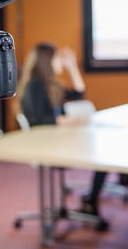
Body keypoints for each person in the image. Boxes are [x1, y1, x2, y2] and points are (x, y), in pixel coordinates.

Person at [15, 42, 109, 222]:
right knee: (101, 152)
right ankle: (91, 201)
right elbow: (39, 120)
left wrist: (72, 66)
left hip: (56, 140)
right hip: (46, 145)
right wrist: (70, 121)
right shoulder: (35, 86)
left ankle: (91, 198)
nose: (61, 63)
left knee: (101, 147)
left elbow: (79, 93)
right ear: (47, 61)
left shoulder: (50, 84)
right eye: (58, 59)